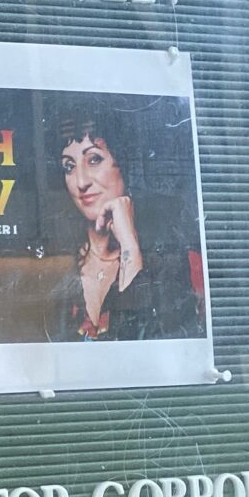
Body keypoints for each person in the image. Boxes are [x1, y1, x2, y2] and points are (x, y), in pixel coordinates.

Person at [47, 114, 204, 343]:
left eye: (94, 160)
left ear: (124, 164)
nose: (81, 182)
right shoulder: (58, 265)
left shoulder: (172, 255)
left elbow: (162, 342)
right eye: (69, 167)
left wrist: (129, 244)